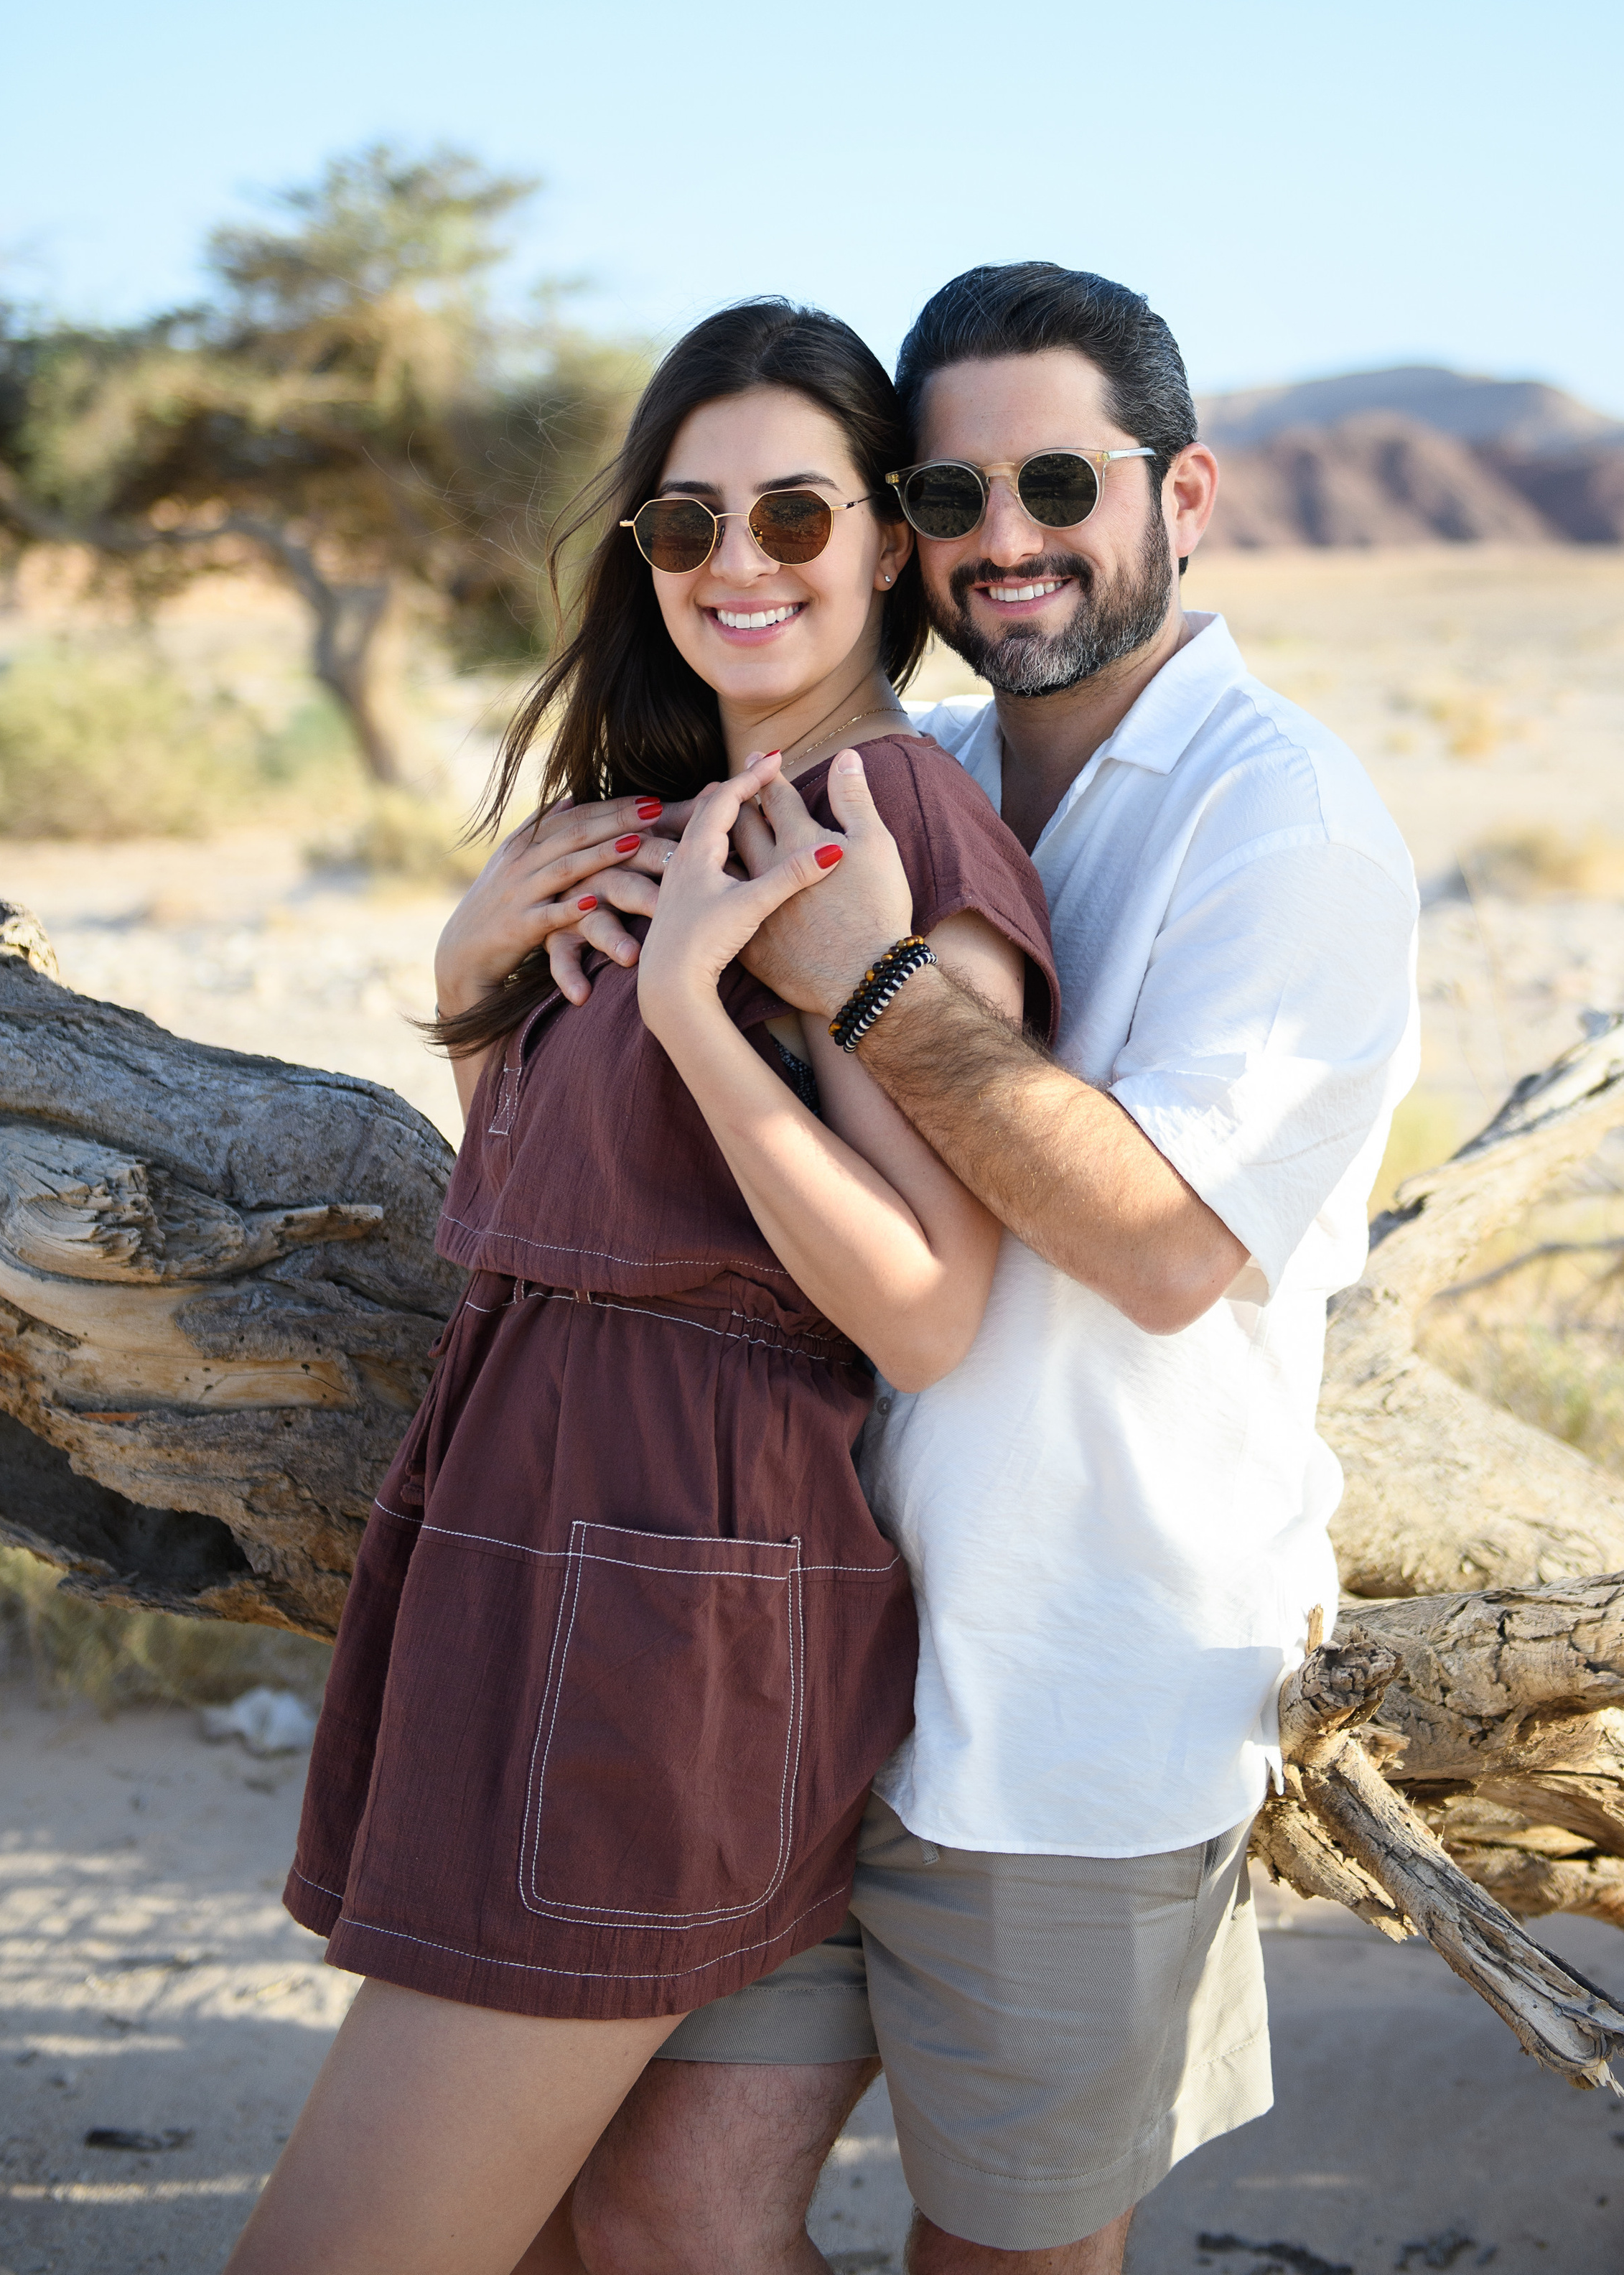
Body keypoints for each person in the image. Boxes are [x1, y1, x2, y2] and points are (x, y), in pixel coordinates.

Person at [553, 264, 1421, 2275]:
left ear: (1181, 493)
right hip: (794, 1656)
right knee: (657, 2209)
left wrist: (855, 978)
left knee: (1007, 2254)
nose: (1005, 539)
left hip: (1075, 1694)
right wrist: (475, 942)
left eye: (1059, 482)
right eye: (948, 499)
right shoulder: (911, 765)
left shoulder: (1279, 819)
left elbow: (1159, 1247)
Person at [226, 299, 1056, 2275]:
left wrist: (686, 1001)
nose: (737, 569)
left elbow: (931, 1306)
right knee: (554, 2245)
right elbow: (587, 1203)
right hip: (520, 1559)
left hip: (658, 1602)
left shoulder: (884, 828)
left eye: (792, 517)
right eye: (685, 530)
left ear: (884, 546)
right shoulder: (667, 823)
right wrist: (465, 994)